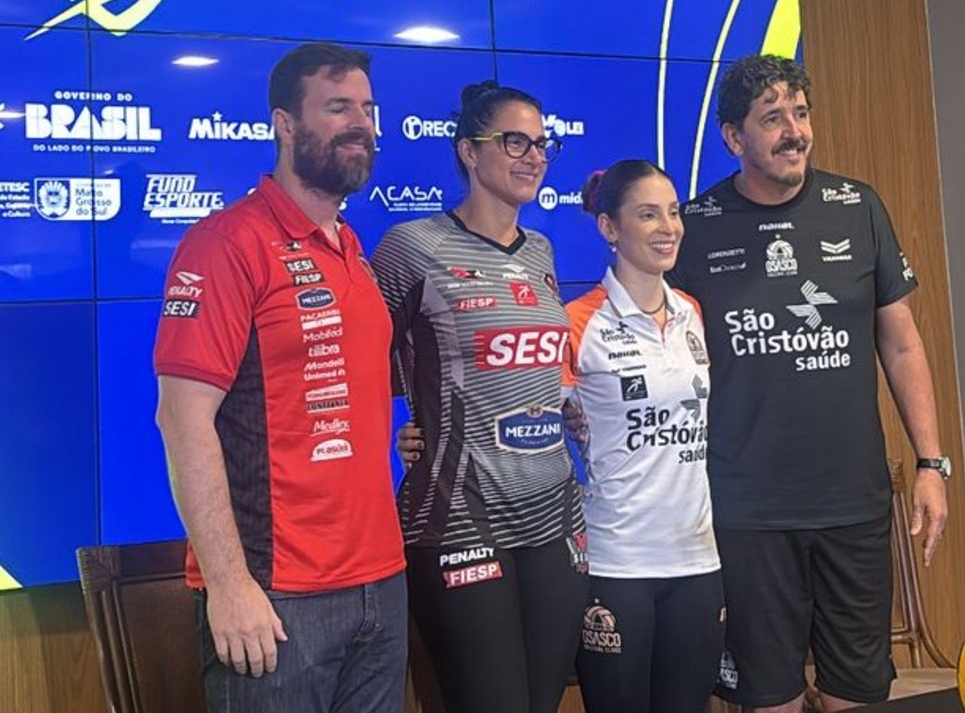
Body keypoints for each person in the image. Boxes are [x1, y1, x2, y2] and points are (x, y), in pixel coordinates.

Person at [668, 54, 950, 713]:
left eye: (800, 113)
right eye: (772, 118)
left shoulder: (858, 207)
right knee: (772, 698)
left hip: (851, 501)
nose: (794, 131)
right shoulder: (694, 227)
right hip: (746, 509)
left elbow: (902, 342)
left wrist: (931, 464)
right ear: (733, 137)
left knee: (857, 693)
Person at [153, 42, 408, 713]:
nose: (361, 124)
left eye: (368, 109)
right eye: (337, 107)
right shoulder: (226, 243)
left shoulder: (352, 250)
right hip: (276, 592)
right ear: (284, 124)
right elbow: (182, 420)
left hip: (381, 582)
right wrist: (229, 583)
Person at [371, 81, 587, 713]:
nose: (534, 156)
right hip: (459, 515)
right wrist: (397, 426)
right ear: (469, 150)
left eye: (542, 143)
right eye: (515, 141)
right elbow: (359, 357)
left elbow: (532, 367)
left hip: (554, 512)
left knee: (542, 702)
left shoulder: (542, 251)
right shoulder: (413, 247)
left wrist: (567, 407)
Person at [563, 159, 725, 713]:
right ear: (609, 227)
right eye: (648, 214)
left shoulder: (692, 312)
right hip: (617, 563)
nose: (668, 228)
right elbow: (531, 417)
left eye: (673, 213)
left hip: (697, 560)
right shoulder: (578, 321)